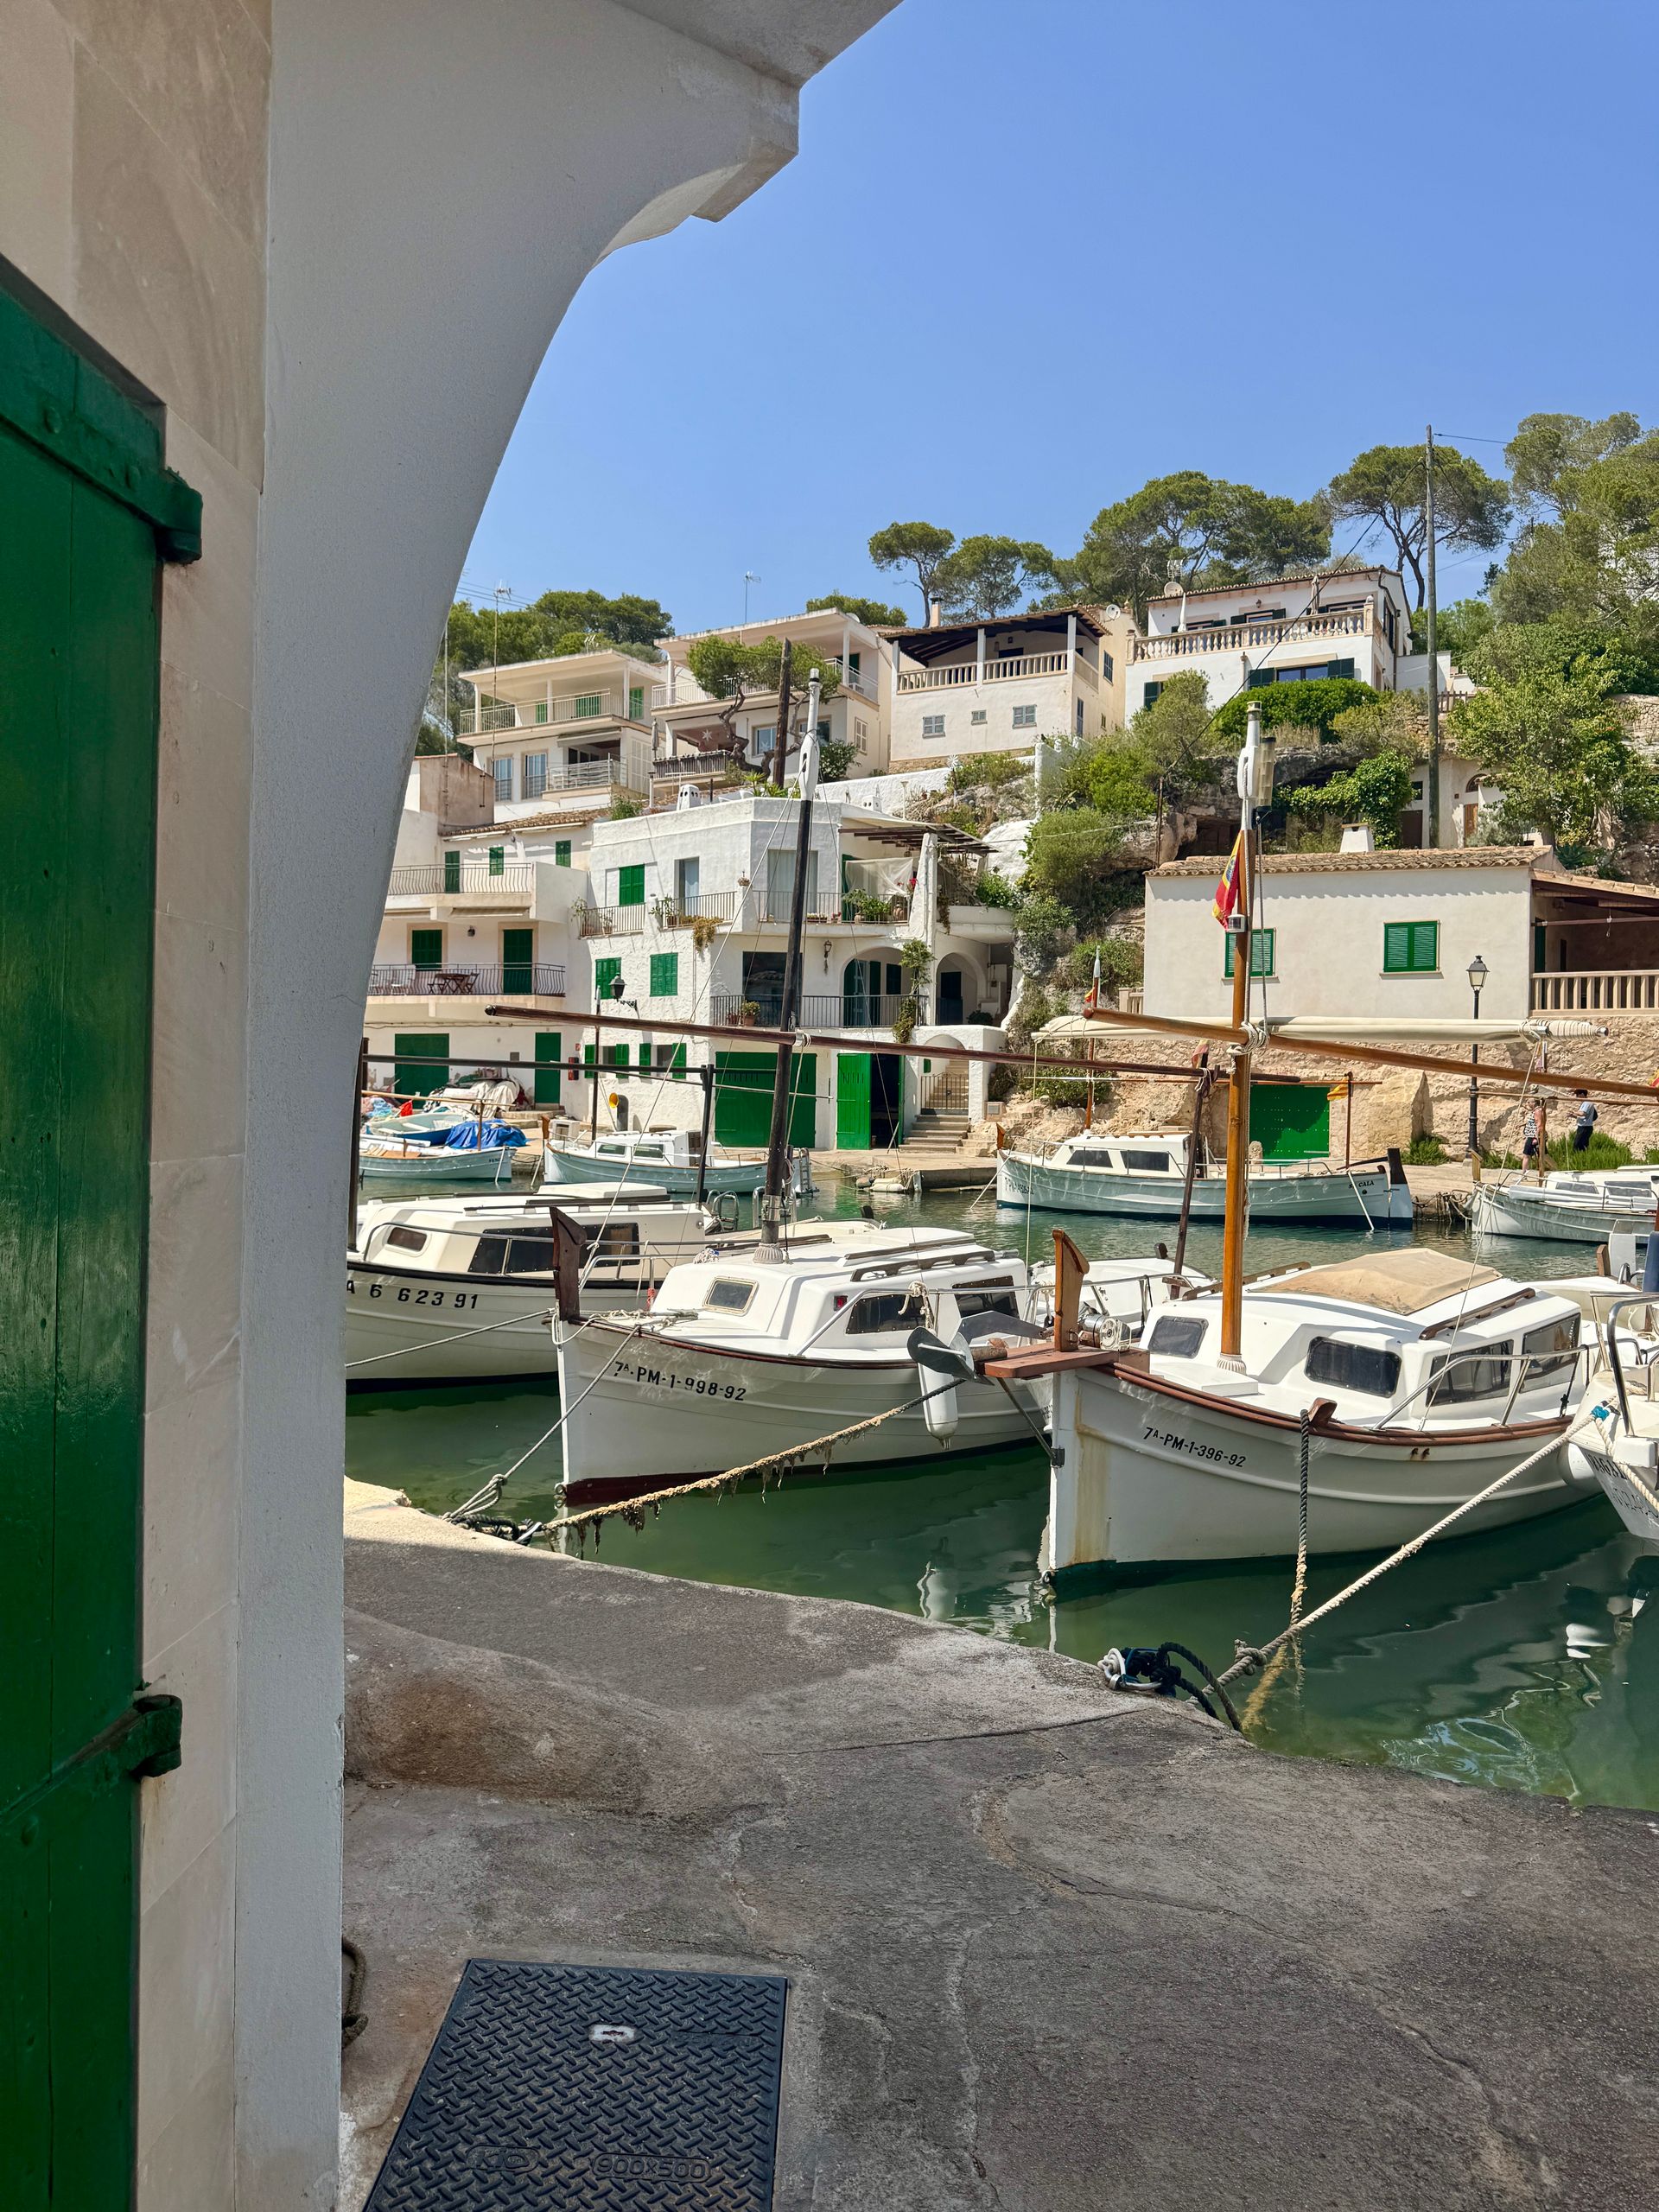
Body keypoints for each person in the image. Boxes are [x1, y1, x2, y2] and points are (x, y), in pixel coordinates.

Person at [1571, 1090, 1598, 1154]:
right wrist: (1573, 1115)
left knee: (1577, 1146)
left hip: (1585, 1128)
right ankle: (1582, 1158)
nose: (1577, 1096)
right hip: (1583, 1127)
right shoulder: (1584, 1103)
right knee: (1582, 1146)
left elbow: (1583, 1114)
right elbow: (1582, 1117)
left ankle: (1578, 1159)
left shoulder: (1587, 1103)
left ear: (1582, 1094)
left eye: (1578, 1094)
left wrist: (1574, 1112)